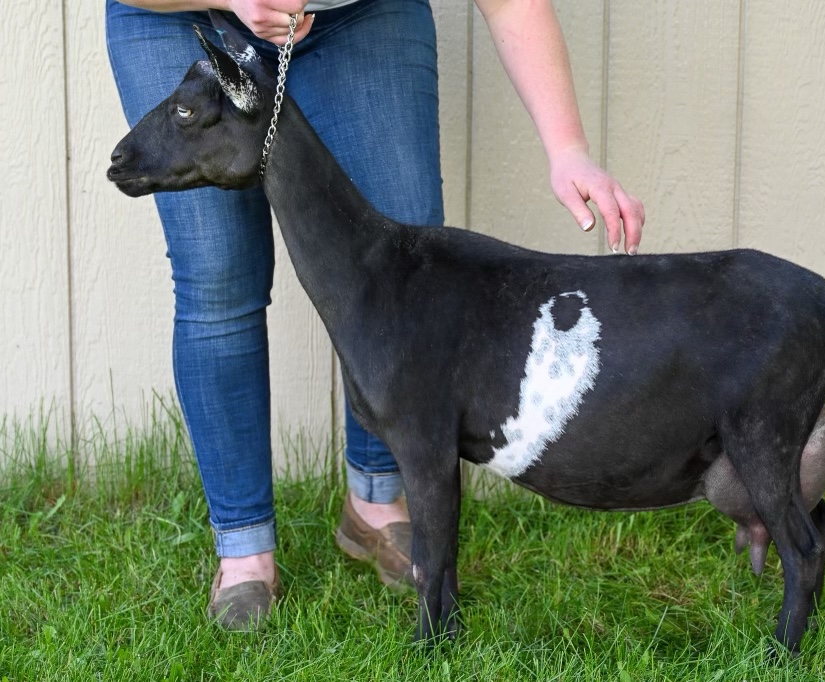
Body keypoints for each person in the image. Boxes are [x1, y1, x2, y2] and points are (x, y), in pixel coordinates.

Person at [106, 0, 645, 629]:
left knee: (404, 260)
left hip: (360, 18)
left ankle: (375, 502)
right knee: (219, 273)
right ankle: (244, 547)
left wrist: (568, 147)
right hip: (176, 14)